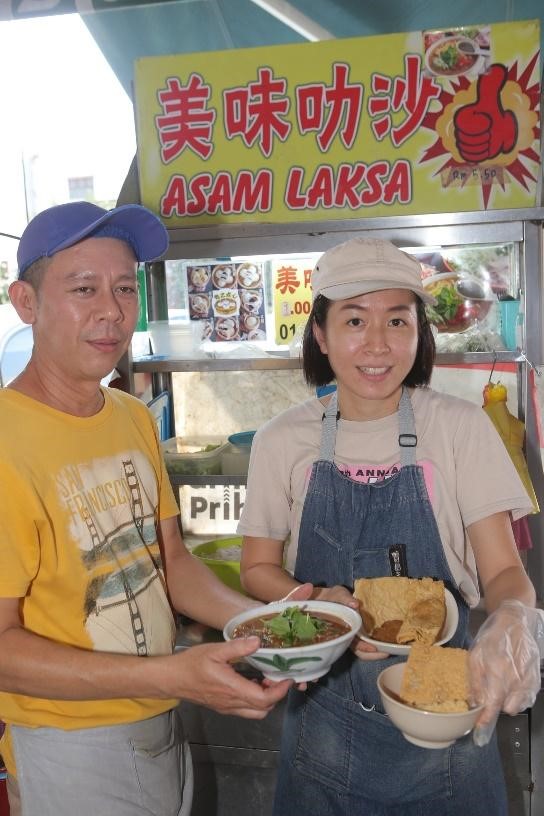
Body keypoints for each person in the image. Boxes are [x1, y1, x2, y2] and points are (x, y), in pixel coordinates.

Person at [0, 201, 309, 816]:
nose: (110, 311)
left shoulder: (132, 417)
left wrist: (263, 626)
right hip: (71, 740)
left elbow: (170, 565)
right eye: (83, 288)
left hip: (160, 718)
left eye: (123, 288)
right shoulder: (8, 443)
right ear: (26, 304)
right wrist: (173, 674)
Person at [238, 237, 543, 816]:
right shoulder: (283, 439)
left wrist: (511, 618)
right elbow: (257, 569)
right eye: (355, 320)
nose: (377, 344)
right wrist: (317, 601)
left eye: (397, 320)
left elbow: (504, 570)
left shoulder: (460, 428)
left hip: (446, 727)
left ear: (419, 333)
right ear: (321, 335)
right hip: (321, 729)